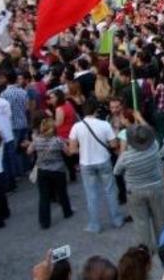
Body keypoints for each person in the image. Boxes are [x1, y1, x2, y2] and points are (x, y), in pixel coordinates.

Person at [68, 98, 126, 234]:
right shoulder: (104, 124)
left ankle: (94, 224)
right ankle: (117, 219)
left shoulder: (77, 127)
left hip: (86, 163)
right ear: (96, 110)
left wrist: (83, 148)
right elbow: (113, 144)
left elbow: (72, 149)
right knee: (111, 191)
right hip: (104, 160)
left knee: (91, 194)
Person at [114, 124, 164, 253]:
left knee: (140, 221)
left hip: (135, 191)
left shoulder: (126, 157)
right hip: (156, 187)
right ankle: (163, 245)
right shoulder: (154, 146)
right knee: (160, 218)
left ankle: (145, 249)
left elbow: (116, 171)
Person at [25, 117, 73, 229]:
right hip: (58, 170)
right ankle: (67, 212)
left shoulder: (37, 140)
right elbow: (68, 153)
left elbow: (28, 151)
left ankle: (44, 222)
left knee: (44, 197)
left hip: (43, 171)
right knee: (62, 193)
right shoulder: (58, 140)